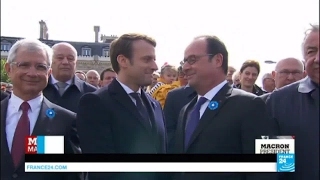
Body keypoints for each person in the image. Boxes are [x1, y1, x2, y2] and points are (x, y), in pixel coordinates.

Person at [173, 35, 276, 180]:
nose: (185, 67)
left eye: (192, 60)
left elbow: (266, 169)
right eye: (185, 61)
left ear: (217, 60)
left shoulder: (250, 104)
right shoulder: (187, 110)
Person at [77, 33, 167, 180]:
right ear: (123, 60)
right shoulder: (95, 103)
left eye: (154, 59)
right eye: (146, 59)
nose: (154, 66)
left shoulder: (155, 105)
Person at [0, 39, 81, 180]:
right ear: (9, 69)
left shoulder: (65, 121)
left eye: (40, 67)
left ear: (49, 73)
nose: (32, 73)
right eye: (24, 65)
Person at [266, 24, 319, 180]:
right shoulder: (279, 102)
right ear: (304, 58)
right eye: (311, 51)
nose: (318, 58)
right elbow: (277, 166)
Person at [43, 42, 97, 113]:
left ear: (76, 62)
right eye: (60, 58)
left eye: (70, 58)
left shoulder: (91, 93)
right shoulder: (38, 89)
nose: (65, 62)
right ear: (50, 61)